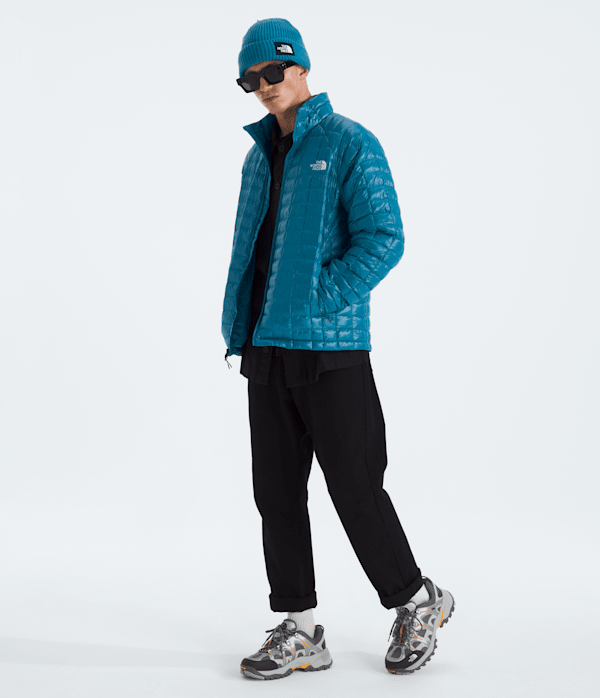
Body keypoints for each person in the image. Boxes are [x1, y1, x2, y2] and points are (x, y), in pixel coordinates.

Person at [221, 18, 455, 681]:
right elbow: (252, 251)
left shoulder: (350, 142)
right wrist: (241, 326)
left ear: (300, 67)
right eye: (250, 79)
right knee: (276, 495)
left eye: (273, 71)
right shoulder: (257, 157)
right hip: (265, 348)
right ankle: (299, 630)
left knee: (355, 486)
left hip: (332, 349)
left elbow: (384, 237)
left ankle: (417, 600)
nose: (264, 86)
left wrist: (321, 298)